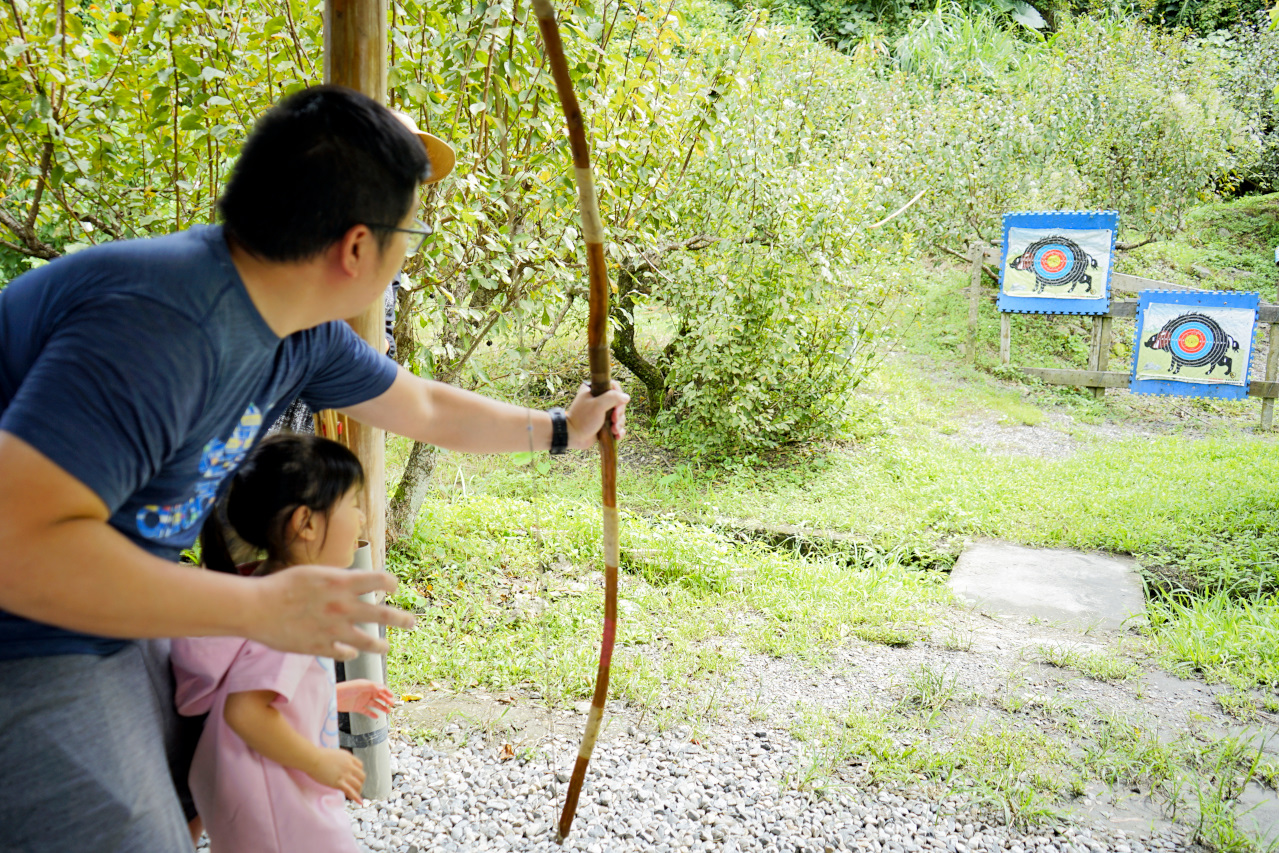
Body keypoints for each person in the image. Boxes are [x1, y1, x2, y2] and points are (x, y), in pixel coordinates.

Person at [0, 84, 628, 852]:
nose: (409, 249)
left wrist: (563, 430)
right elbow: (18, 547)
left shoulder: (296, 329)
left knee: (186, 792)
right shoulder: (164, 324)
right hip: (27, 622)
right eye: (411, 226)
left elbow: (424, 409)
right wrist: (260, 608)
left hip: (108, 602)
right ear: (358, 247)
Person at [173, 435, 394, 853]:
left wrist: (332, 696)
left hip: (260, 796)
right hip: (280, 804)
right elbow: (244, 709)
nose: (362, 519)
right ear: (306, 523)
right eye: (352, 504)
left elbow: (258, 687)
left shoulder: (261, 591)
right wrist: (319, 761)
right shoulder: (293, 613)